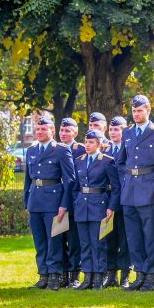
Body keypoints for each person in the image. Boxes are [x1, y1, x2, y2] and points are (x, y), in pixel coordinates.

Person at [114, 95, 154, 292]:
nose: (136, 114)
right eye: (134, 111)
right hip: (130, 190)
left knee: (150, 235)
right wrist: (127, 179)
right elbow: (120, 161)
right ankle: (139, 273)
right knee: (133, 235)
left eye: (140, 110)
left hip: (149, 189)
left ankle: (151, 275)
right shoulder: (128, 133)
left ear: (148, 110)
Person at [24, 115, 76, 291]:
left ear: (52, 131)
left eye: (43, 129)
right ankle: (43, 275)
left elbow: (70, 181)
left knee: (55, 240)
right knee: (40, 241)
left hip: (54, 202)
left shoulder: (61, 150)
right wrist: (27, 202)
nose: (39, 132)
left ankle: (55, 275)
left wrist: (64, 205)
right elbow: (27, 180)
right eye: (37, 129)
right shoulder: (31, 150)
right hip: (35, 200)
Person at [70, 129, 120, 290]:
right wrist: (76, 201)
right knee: (84, 243)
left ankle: (99, 276)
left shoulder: (106, 161)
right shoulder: (79, 160)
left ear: (99, 144)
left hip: (99, 205)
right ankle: (88, 276)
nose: (87, 145)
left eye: (91, 142)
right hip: (82, 206)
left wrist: (111, 207)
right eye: (86, 141)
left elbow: (115, 187)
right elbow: (75, 186)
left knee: (98, 243)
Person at [102, 116, 131, 288]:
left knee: (124, 240)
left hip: (124, 199)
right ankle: (110, 274)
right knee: (109, 239)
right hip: (107, 201)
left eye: (117, 129)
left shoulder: (128, 149)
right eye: (111, 129)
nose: (113, 132)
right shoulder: (105, 150)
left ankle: (125, 275)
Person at [58, 117, 85, 288]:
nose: (64, 134)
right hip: (56, 200)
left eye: (68, 131)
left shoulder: (81, 149)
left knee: (74, 241)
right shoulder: (55, 149)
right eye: (61, 130)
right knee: (60, 239)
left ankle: (75, 274)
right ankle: (63, 274)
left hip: (74, 202)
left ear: (75, 133)